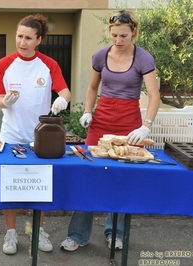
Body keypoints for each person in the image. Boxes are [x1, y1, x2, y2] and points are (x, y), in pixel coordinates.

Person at [60, 10, 160, 252]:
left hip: (129, 120)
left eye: (124, 35)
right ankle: (77, 235)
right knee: (89, 173)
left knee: (122, 178)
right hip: (102, 118)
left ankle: (115, 233)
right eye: (114, 35)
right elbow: (92, 87)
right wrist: (86, 110)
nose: (118, 40)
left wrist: (146, 125)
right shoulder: (100, 56)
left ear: (133, 32)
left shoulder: (143, 58)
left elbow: (155, 96)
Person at [0, 14, 71, 255]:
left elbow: (65, 91)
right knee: (10, 184)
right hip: (12, 133)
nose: (22, 42)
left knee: (41, 183)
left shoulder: (49, 65)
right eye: (19, 36)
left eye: (28, 38)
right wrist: (4, 101)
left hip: (41, 137)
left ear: (39, 40)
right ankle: (11, 233)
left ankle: (38, 230)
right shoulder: (4, 64)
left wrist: (61, 101)